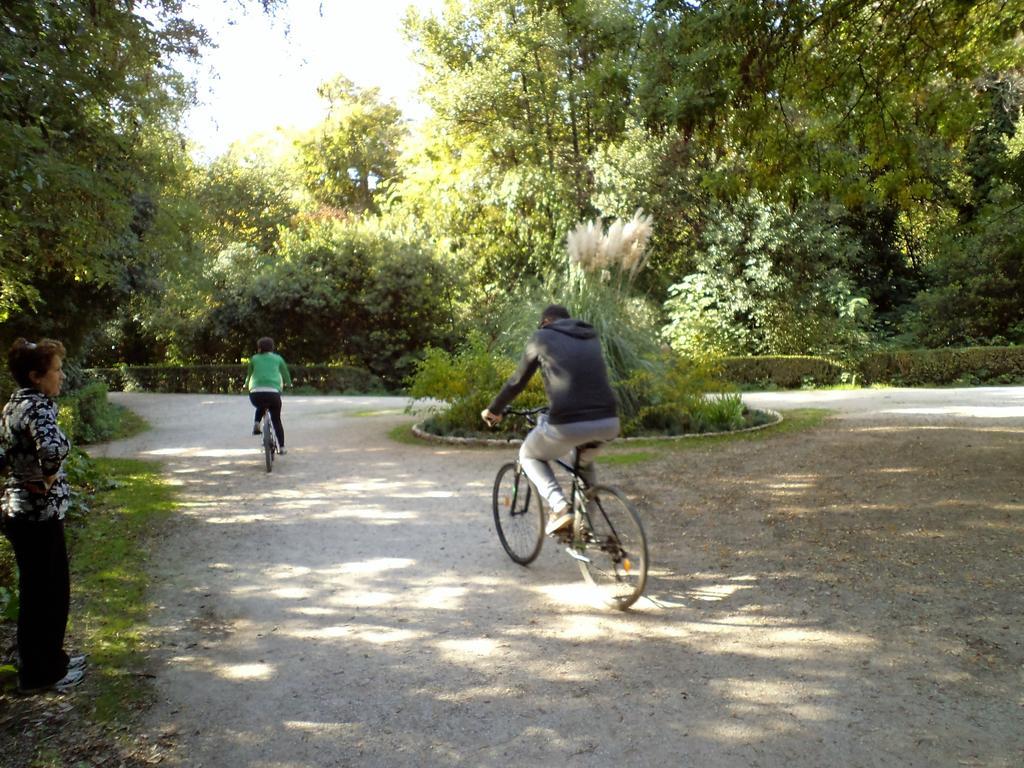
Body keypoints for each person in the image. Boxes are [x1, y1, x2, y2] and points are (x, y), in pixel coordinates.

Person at [481, 304, 619, 535]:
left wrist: (494, 410)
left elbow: (517, 381)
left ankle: (559, 506)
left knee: (528, 455)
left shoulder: (542, 336)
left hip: (567, 422)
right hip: (609, 420)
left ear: (545, 322)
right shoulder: (589, 335)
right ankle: (585, 527)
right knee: (583, 463)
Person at [0, 338, 86, 694]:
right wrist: (46, 476)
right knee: (47, 595)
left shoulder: (13, 405)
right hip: (38, 515)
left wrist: (25, 476)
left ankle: (52, 659)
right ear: (36, 376)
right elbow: (51, 451)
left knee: (40, 592)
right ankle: (43, 673)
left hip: (22, 512)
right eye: (56, 370)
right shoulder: (38, 408)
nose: (61, 376)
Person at [245, 337, 292, 454]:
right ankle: (282, 447)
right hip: (273, 394)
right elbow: (285, 373)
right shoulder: (278, 358)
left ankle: (257, 423)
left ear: (259, 348)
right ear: (272, 347)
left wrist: (246, 384)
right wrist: (289, 384)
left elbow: (249, 375)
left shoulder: (254, 359)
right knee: (276, 420)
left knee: (261, 404)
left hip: (256, 394)